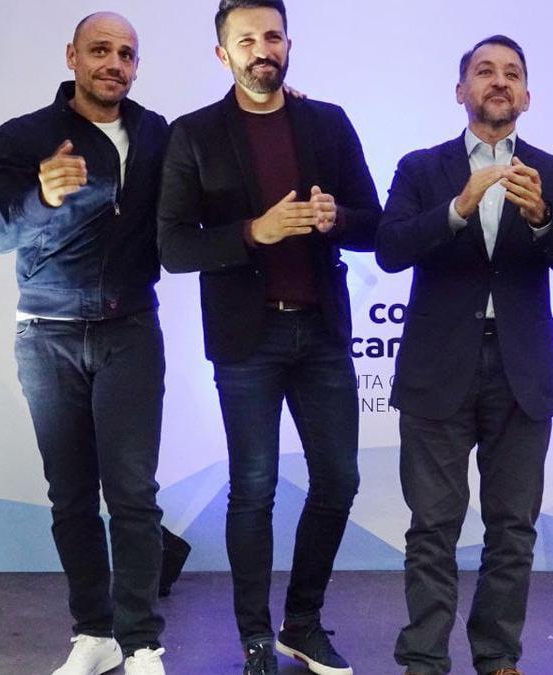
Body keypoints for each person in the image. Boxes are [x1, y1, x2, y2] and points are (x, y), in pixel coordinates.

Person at [155, 1, 380, 673]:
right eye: (246, 38)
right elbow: (171, 246)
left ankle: (302, 621)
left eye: (272, 35)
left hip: (321, 330)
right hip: (246, 339)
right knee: (253, 486)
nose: (263, 48)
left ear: (289, 45)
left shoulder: (327, 122)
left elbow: (374, 224)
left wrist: (337, 217)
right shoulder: (192, 134)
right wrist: (255, 232)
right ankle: (254, 634)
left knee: (339, 478)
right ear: (223, 54)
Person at [376, 35, 553, 675]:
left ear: (527, 95)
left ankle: (498, 654)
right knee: (432, 527)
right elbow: (389, 248)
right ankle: (423, 657)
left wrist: (542, 222)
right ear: (461, 91)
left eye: (511, 73)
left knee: (512, 529)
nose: (498, 82)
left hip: (522, 372)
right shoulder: (423, 169)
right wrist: (456, 208)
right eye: (484, 71)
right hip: (437, 370)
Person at [0, 11, 169, 675]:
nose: (113, 62)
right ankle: (95, 633)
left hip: (130, 330)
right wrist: (42, 196)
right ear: (72, 57)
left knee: (134, 494)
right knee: (73, 495)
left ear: (135, 66)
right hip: (46, 336)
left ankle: (141, 642)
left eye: (126, 53)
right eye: (100, 50)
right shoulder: (25, 136)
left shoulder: (156, 133)